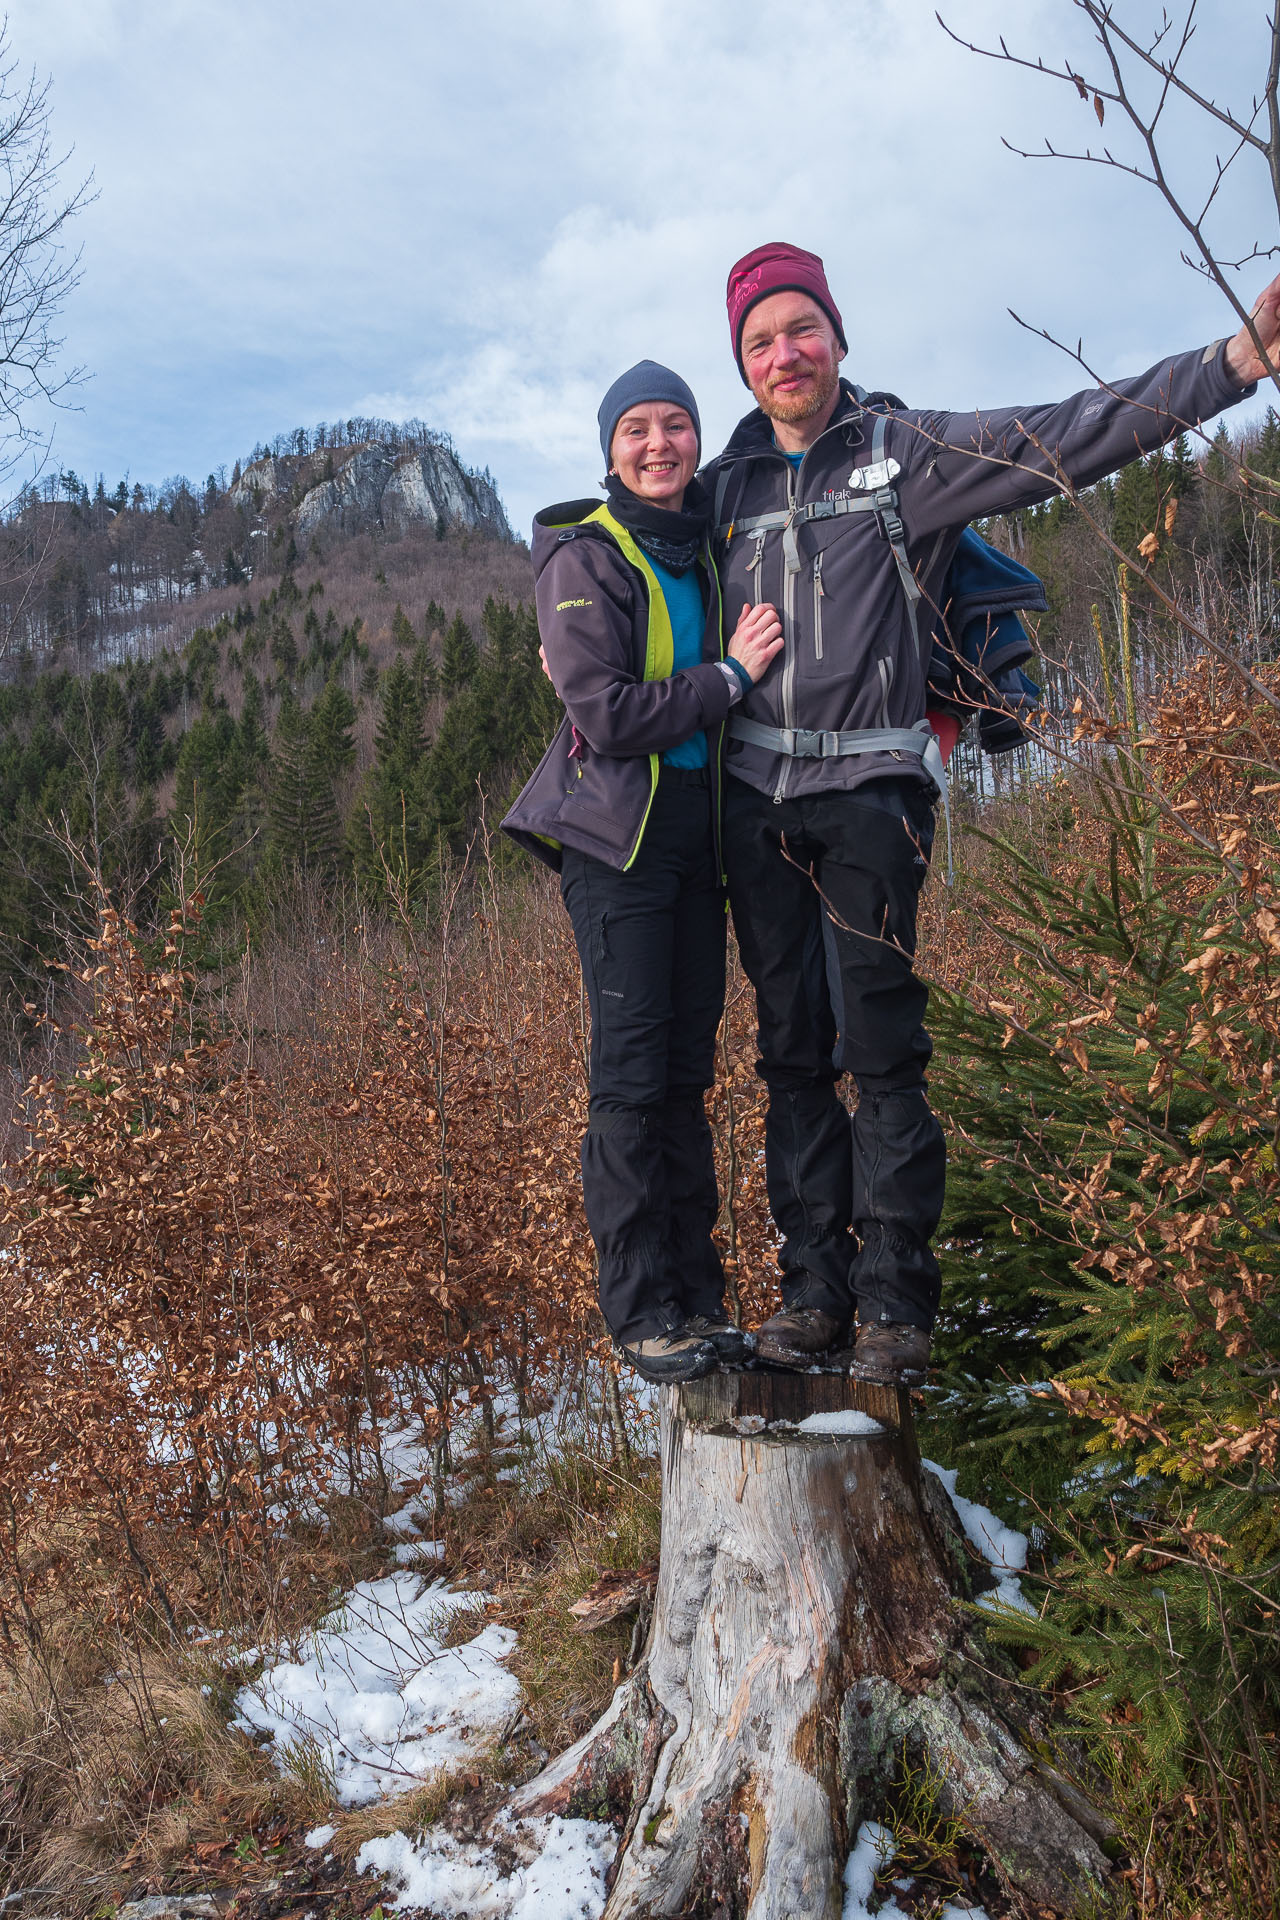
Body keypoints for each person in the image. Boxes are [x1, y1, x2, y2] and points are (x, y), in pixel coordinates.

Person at [703, 239, 1276, 1384]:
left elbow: (1065, 430)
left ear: (836, 338)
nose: (785, 354)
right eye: (760, 340)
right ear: (741, 362)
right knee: (786, 1057)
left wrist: (1231, 361)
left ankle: (892, 1309)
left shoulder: (905, 454)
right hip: (756, 807)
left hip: (871, 796)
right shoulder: (722, 495)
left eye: (800, 328)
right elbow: (628, 590)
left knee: (879, 1048)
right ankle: (810, 1295)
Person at [503, 361, 784, 1383]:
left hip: (696, 843)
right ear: (607, 449)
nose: (657, 444)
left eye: (675, 426)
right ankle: (639, 1312)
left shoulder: (705, 545)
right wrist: (726, 677)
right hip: (615, 845)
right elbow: (607, 716)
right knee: (630, 1080)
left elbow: (772, 457)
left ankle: (697, 1300)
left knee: (684, 1077)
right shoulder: (586, 555)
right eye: (636, 430)